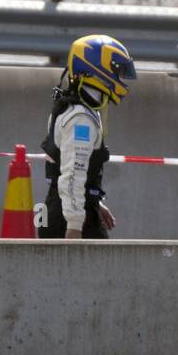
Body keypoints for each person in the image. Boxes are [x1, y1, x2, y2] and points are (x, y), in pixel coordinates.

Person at [37, 34, 136, 240]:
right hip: (68, 221)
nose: (120, 78)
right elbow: (72, 175)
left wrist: (94, 202)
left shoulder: (75, 108)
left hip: (68, 210)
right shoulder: (81, 119)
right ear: (98, 70)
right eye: (116, 70)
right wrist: (74, 227)